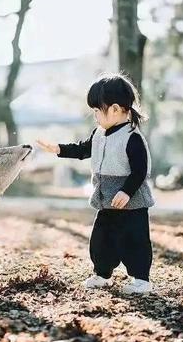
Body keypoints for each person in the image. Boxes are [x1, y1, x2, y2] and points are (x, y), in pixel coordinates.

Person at [37, 73, 155, 294]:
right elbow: (83, 149)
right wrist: (59, 149)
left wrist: (127, 192)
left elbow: (140, 171)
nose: (95, 116)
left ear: (116, 109)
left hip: (132, 203)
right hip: (106, 201)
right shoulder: (99, 134)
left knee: (135, 241)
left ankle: (141, 279)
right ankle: (102, 273)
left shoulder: (132, 137)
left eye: (97, 110)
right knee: (101, 240)